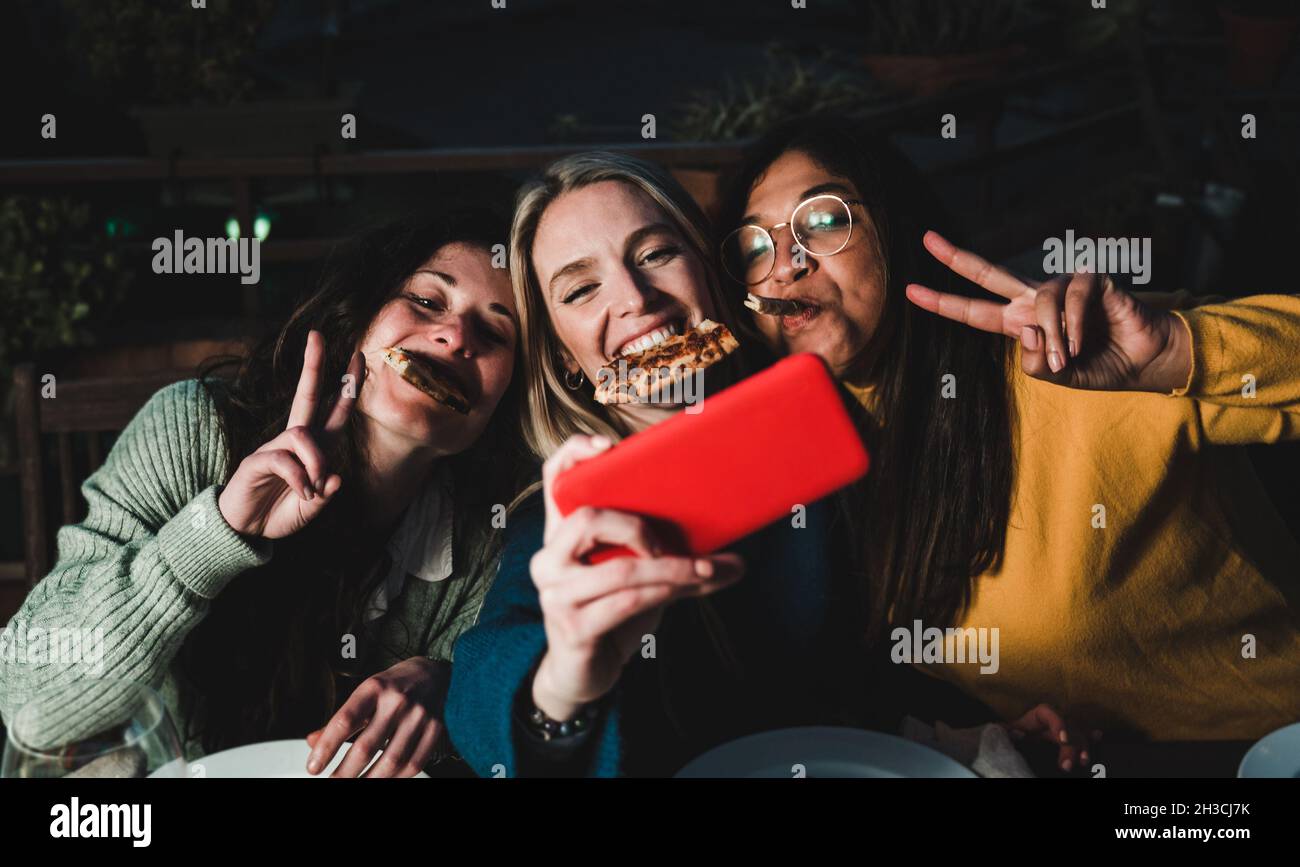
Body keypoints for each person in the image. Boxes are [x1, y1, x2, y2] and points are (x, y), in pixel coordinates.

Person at [716, 116, 1300, 743]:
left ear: (897, 227)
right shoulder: (806, 460)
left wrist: (1175, 353)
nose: (785, 266)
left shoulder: (1071, 365)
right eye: (756, 247)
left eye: (824, 220)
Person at [0, 211, 528, 777]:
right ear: (363, 318)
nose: (455, 336)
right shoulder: (195, 429)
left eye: (494, 332)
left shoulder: (495, 534)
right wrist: (216, 536)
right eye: (427, 301)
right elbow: (32, 711)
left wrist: (450, 690)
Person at [443, 152, 875, 777]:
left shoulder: (817, 417)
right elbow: (487, 682)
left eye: (655, 254)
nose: (636, 299)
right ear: (564, 358)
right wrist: (559, 685)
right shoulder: (571, 510)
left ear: (707, 270)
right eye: (582, 288)